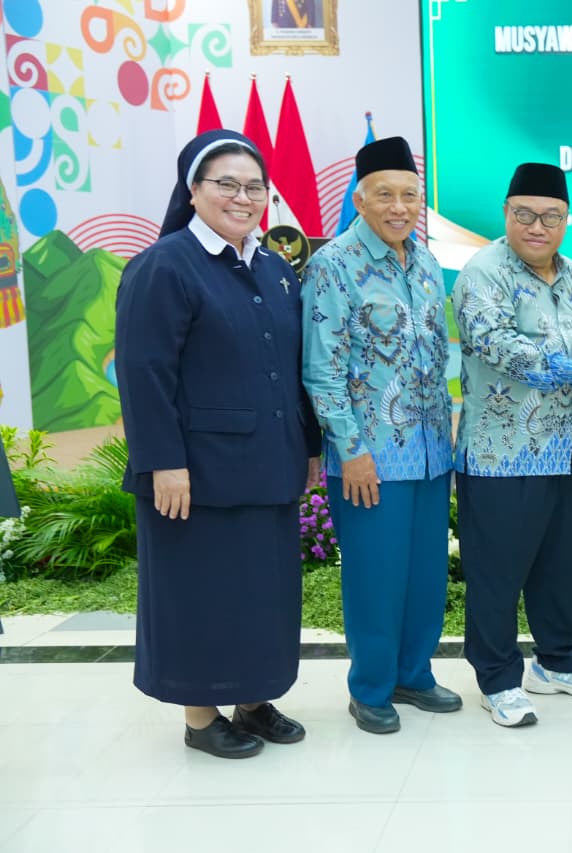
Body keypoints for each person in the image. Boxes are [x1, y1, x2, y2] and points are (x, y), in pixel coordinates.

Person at [115, 129, 321, 759]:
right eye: (226, 183)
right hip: (196, 474)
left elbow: (295, 366)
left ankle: (252, 701)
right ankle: (201, 718)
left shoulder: (273, 268)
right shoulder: (164, 265)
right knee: (200, 593)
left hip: (269, 462)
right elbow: (144, 372)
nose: (243, 197)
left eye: (255, 186)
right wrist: (163, 462)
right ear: (193, 191)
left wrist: (310, 445)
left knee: (262, 592)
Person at [453, 162, 572, 727]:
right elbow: (500, 346)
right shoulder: (483, 273)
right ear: (506, 213)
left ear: (566, 220)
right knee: (497, 575)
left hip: (569, 452)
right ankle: (498, 678)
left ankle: (557, 662)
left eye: (551, 217)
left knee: (560, 569)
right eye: (525, 214)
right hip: (502, 456)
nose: (538, 227)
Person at [301, 136, 459, 734]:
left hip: (429, 452)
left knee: (425, 574)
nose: (399, 207)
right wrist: (351, 451)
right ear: (360, 199)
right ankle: (370, 687)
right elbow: (322, 370)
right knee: (375, 575)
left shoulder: (425, 263)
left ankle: (413, 674)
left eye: (409, 195)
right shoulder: (333, 265)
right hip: (369, 458)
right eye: (385, 195)